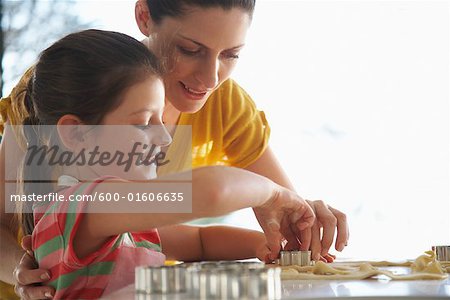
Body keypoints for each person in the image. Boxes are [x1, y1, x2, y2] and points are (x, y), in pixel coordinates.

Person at [0, 0, 349, 299]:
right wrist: (272, 194)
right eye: (190, 50)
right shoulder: (86, 206)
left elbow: (199, 242)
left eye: (231, 55)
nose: (211, 79)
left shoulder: (124, 223)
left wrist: (264, 244)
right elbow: (212, 190)